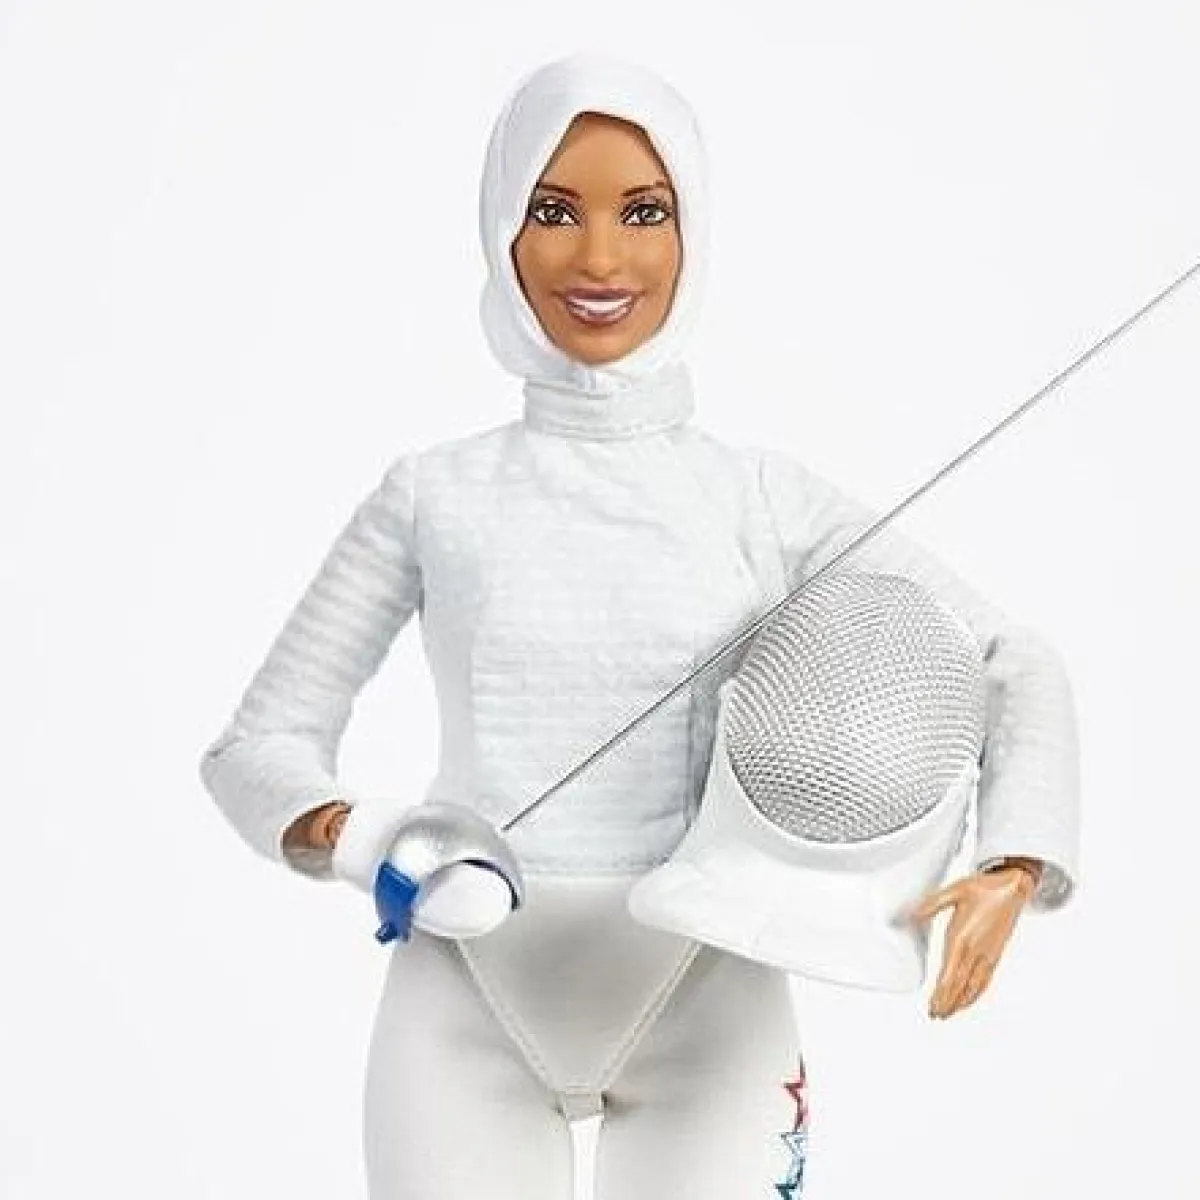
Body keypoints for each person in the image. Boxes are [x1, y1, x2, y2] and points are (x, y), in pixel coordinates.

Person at [200, 53, 1080, 1200]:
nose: (601, 260)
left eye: (645, 212)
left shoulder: (760, 498)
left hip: (711, 991)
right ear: (502, 230)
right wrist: (376, 842)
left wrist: (1012, 859)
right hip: (463, 997)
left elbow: (1012, 658)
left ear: (692, 229)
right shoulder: (432, 495)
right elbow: (256, 751)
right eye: (555, 211)